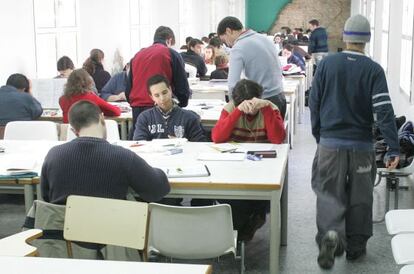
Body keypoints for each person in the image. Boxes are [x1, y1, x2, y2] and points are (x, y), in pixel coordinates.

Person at [309, 15, 400, 269]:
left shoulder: (327, 64)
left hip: (330, 144)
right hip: (361, 147)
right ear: (367, 41)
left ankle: (330, 235)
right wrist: (393, 147)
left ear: (346, 37)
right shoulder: (373, 70)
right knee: (360, 197)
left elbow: (314, 102)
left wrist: (319, 135)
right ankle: (356, 247)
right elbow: (383, 111)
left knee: (328, 192)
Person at [41, 100, 170, 205]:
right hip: (109, 233)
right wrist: (157, 171)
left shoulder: (54, 155)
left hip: (62, 233)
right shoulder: (122, 157)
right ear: (102, 118)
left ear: (74, 130)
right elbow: (157, 190)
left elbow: (46, 196)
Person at [211, 79, 285, 241]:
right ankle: (243, 225)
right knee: (233, 198)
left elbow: (277, 138)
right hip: (235, 162)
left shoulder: (270, 108)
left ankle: (252, 220)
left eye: (253, 103)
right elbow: (217, 137)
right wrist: (238, 111)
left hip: (262, 162)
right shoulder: (230, 108)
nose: (251, 108)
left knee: (261, 192)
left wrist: (264, 108)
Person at [126, 26, 190, 138]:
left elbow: (128, 87)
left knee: (141, 146)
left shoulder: (136, 56)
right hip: (161, 107)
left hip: (138, 109)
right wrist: (182, 104)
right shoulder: (170, 53)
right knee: (163, 146)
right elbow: (182, 86)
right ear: (169, 40)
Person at [217, 16, 286, 118]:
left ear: (228, 31)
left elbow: (232, 84)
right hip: (280, 97)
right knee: (277, 133)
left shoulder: (238, 47)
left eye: (224, 40)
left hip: (261, 103)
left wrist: (232, 109)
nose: (227, 44)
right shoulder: (264, 38)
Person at [133, 74, 206, 142]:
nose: (162, 98)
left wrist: (183, 143)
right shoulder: (144, 118)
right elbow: (139, 144)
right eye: (157, 95)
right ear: (151, 97)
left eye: (164, 93)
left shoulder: (190, 117)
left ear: (170, 90)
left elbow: (199, 145)